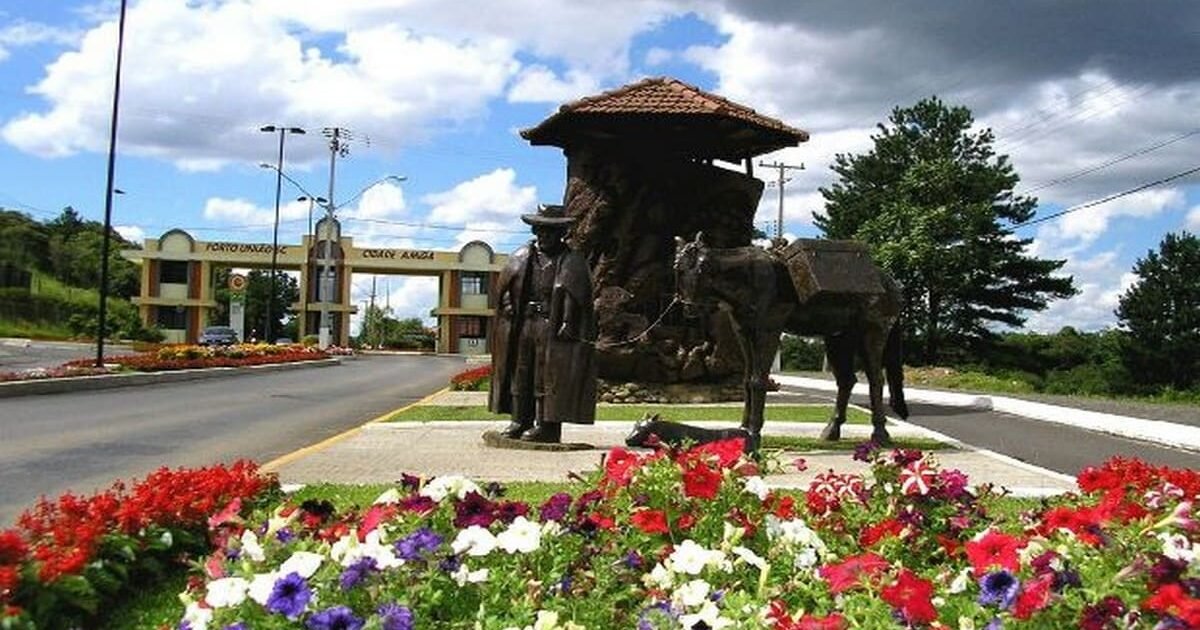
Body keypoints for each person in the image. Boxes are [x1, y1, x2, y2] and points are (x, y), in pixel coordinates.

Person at [489, 204, 597, 443]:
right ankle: (519, 420)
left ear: (561, 234)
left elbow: (576, 295)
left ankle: (547, 426)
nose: (544, 236)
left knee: (547, 375)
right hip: (523, 323)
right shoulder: (521, 256)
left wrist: (568, 321)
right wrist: (507, 304)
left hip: (551, 324)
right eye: (541, 230)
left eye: (550, 231)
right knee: (521, 370)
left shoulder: (571, 260)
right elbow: (504, 287)